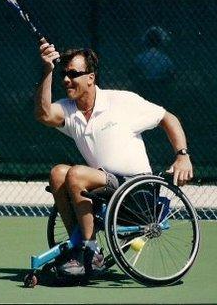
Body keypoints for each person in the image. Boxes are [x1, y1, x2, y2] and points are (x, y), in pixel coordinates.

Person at [34, 37, 193, 277]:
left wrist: (182, 156)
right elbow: (44, 114)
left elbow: (167, 118)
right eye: (64, 74)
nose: (67, 79)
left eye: (74, 73)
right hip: (104, 188)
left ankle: (87, 253)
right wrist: (47, 69)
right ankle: (83, 247)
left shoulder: (122, 101)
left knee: (76, 173)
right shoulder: (69, 109)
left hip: (137, 192)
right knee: (58, 173)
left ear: (91, 77)